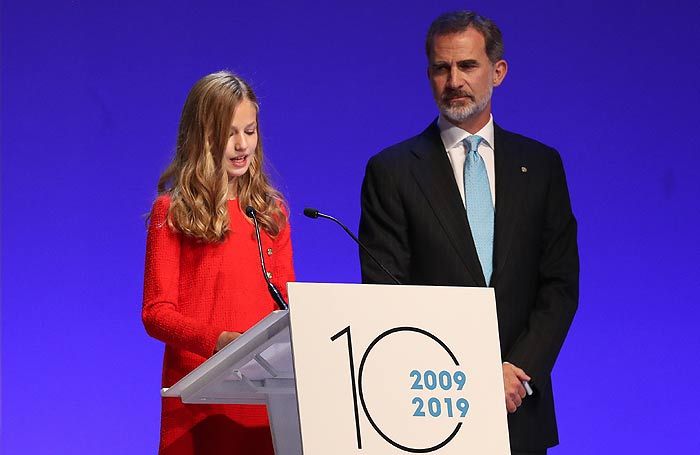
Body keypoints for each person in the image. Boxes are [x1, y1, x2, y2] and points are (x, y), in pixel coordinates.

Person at [359, 11, 578, 455]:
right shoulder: (393, 171)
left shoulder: (541, 166)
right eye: (441, 68)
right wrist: (472, 375)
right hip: (430, 405)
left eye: (467, 66)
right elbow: (387, 293)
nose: (453, 79)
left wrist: (517, 368)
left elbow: (560, 285)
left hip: (520, 405)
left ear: (498, 72)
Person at [142, 71, 295, 455]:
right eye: (229, 133)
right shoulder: (173, 212)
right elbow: (156, 313)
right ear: (202, 136)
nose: (243, 145)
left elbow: (289, 309)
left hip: (264, 400)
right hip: (200, 398)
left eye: (250, 130)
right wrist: (219, 342)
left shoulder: (271, 214)